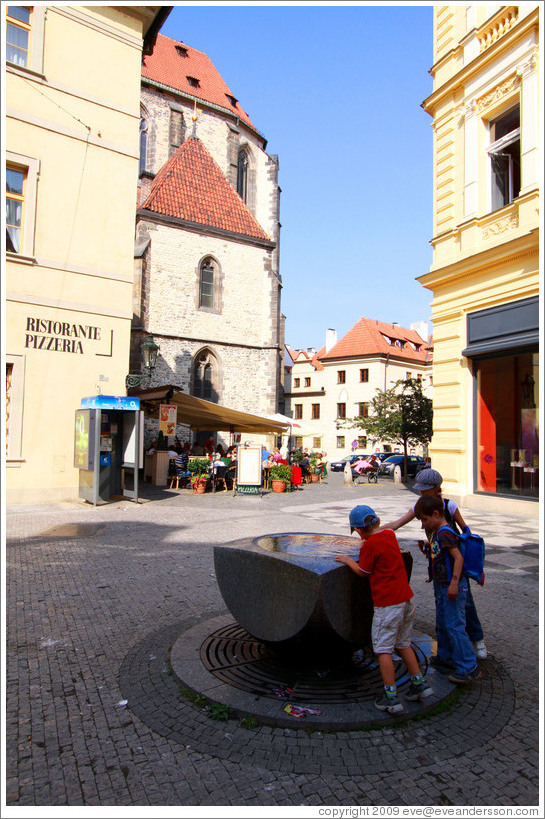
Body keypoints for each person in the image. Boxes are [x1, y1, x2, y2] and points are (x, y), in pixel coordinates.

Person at [335, 504, 433, 714]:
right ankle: (419, 684)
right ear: (378, 522)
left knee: (382, 649)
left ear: (358, 530)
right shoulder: (388, 535)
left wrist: (348, 560)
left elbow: (362, 571)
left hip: (388, 605)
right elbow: (391, 527)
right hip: (406, 599)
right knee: (404, 643)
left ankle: (390, 697)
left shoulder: (369, 545)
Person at [380, 468, 487, 660]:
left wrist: (457, 553)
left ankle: (477, 640)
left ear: (436, 487)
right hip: (437, 563)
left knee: (466, 604)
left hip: (454, 563)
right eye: (420, 489)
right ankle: (448, 652)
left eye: (425, 489)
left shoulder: (449, 505)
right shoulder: (420, 505)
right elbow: (397, 524)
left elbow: (465, 533)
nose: (421, 493)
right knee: (443, 606)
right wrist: (375, 532)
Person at [414, 495, 482, 684]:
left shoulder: (444, 532)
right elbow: (442, 554)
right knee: (444, 622)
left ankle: (470, 667)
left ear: (436, 514)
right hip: (443, 584)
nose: (423, 525)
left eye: (425, 520)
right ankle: (446, 657)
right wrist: (429, 548)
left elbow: (458, 558)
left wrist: (454, 583)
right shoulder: (437, 532)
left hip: (452, 586)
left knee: (454, 626)